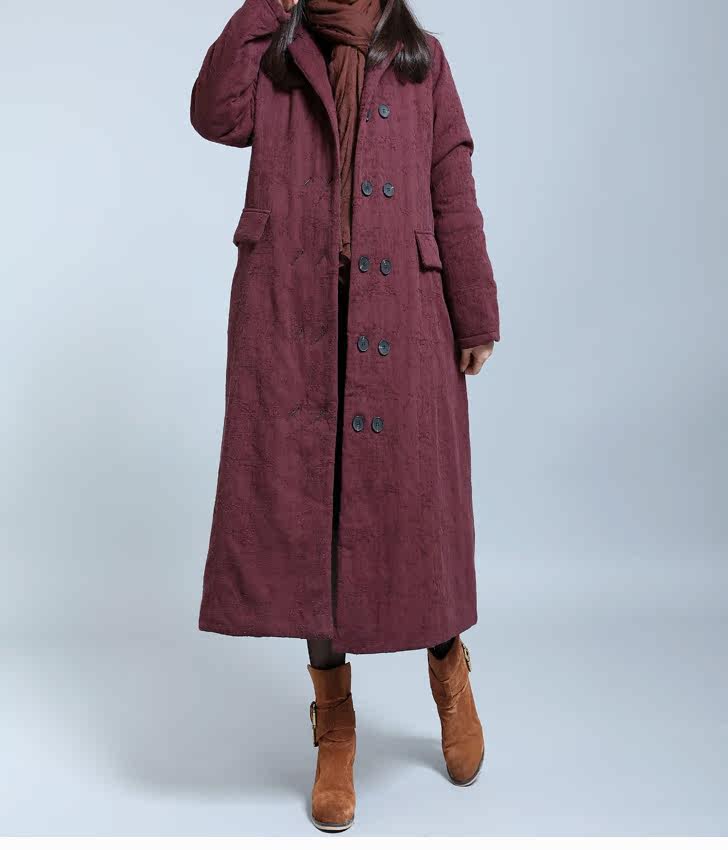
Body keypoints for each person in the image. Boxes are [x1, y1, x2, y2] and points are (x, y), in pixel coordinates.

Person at [190, 0, 500, 832]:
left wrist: (475, 313)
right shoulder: (279, 55)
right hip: (298, 318)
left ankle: (449, 675)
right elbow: (213, 114)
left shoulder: (423, 60)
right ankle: (334, 724)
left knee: (419, 516)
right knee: (310, 524)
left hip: (404, 318)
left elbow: (453, 190)